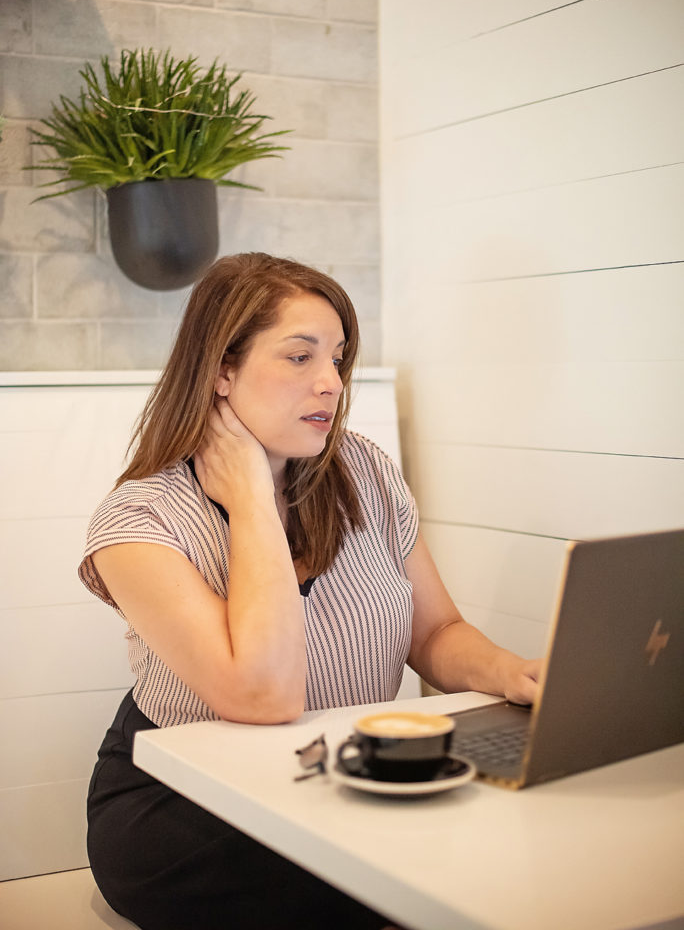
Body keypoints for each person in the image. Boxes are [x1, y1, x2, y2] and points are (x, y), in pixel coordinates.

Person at [80, 252, 540, 930]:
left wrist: (518, 674)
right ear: (221, 372)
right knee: (402, 876)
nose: (330, 382)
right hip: (184, 808)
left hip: (341, 785)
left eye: (338, 358)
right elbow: (264, 696)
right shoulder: (137, 522)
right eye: (300, 357)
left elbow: (435, 633)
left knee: (475, 843)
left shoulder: (365, 471)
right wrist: (249, 495)